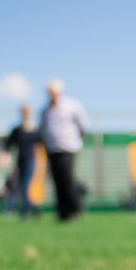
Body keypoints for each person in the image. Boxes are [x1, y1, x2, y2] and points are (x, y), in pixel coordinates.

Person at [39, 79, 88, 221]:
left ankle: (73, 210)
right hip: (52, 149)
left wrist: (78, 138)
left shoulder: (72, 106)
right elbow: (43, 130)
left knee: (66, 179)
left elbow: (82, 124)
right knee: (57, 181)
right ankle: (62, 212)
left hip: (68, 147)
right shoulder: (45, 111)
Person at [0, 104, 40, 219]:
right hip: (20, 161)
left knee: (24, 186)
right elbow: (8, 145)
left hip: (31, 161)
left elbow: (42, 144)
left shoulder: (34, 130)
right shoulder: (17, 130)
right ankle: (34, 207)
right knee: (22, 186)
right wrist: (5, 156)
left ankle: (25, 211)